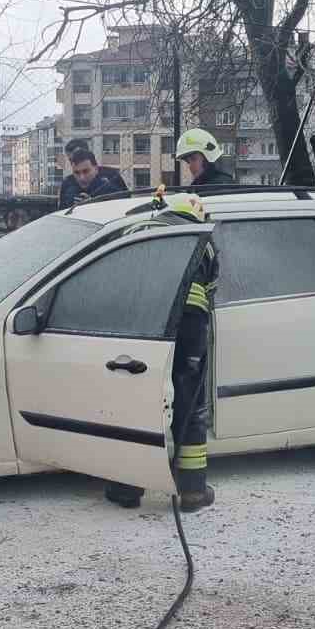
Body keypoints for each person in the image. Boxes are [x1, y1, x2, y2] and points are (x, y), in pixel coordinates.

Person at [105, 191, 218, 513]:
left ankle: (126, 488)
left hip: (139, 332)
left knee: (136, 411)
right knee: (189, 413)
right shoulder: (200, 241)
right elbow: (203, 299)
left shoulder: (141, 233)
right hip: (187, 336)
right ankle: (193, 493)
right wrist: (194, 351)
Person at [58, 142, 128, 206]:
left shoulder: (111, 176)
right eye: (70, 159)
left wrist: (94, 205)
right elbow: (61, 211)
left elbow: (125, 204)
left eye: (86, 171)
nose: (82, 177)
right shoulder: (67, 183)